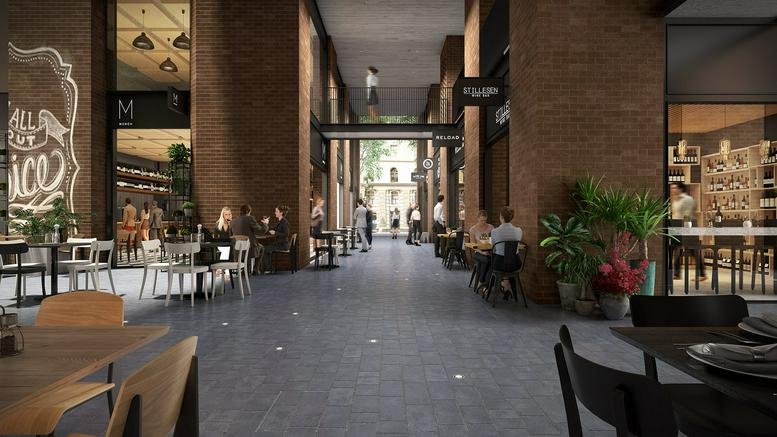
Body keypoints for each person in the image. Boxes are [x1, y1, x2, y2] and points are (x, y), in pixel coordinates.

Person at [474, 206, 523, 297]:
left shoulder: (495, 231)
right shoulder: (519, 231)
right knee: (496, 261)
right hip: (515, 264)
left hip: (499, 264)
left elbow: (492, 247)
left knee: (493, 262)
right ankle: (506, 286)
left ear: (501, 217)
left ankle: (486, 287)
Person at [670, 181, 706, 281]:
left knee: (693, 251)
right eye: (672, 188)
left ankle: (702, 274)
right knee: (676, 250)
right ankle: (677, 274)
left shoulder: (688, 199)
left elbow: (687, 215)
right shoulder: (676, 200)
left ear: (680, 189)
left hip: (688, 227)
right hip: (677, 227)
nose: (672, 190)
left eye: (674, 188)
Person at [232, 204, 269, 275]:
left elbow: (232, 235)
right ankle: (256, 269)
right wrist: (265, 224)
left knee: (251, 247)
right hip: (250, 247)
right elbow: (260, 231)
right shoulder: (250, 218)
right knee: (262, 248)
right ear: (249, 211)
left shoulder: (233, 221)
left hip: (238, 248)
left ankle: (244, 270)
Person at [263, 205, 291, 271]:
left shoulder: (284, 222)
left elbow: (286, 234)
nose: (275, 213)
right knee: (265, 248)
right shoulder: (280, 221)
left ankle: (268, 269)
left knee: (265, 249)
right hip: (279, 244)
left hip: (283, 245)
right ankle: (268, 268)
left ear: (281, 213)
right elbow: (273, 228)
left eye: (276, 211)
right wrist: (267, 223)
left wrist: (275, 233)